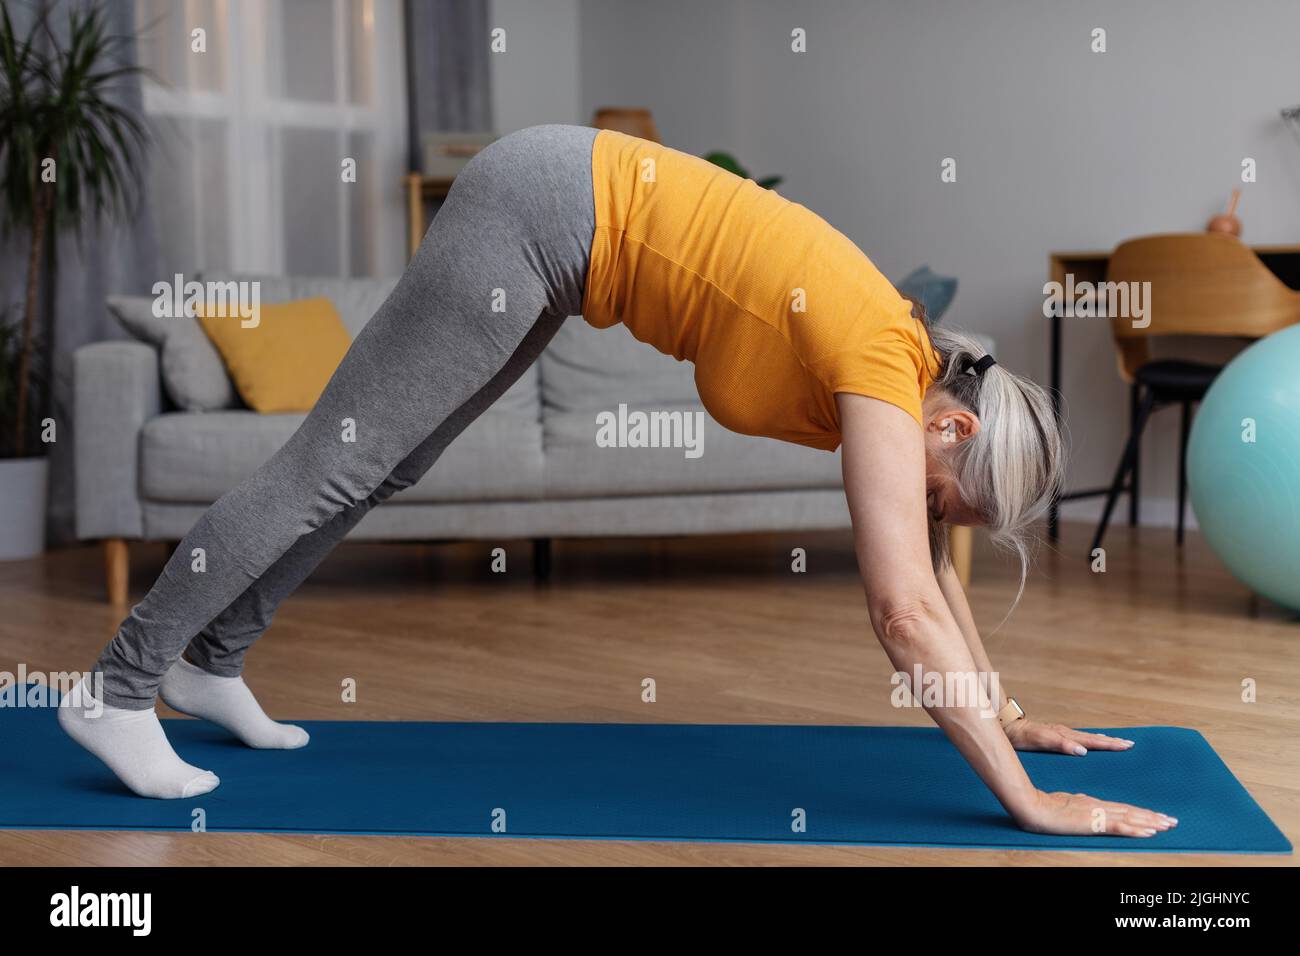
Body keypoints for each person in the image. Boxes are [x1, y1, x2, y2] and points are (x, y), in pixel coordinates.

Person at [60, 125, 1176, 838]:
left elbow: (931, 578)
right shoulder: (882, 364)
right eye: (947, 493)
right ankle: (115, 687)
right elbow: (901, 611)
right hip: (536, 209)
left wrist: (1010, 712)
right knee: (330, 460)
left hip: (560, 229)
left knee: (388, 462)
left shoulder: (903, 369)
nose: (936, 520)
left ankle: (213, 662)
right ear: (952, 423)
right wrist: (1022, 804)